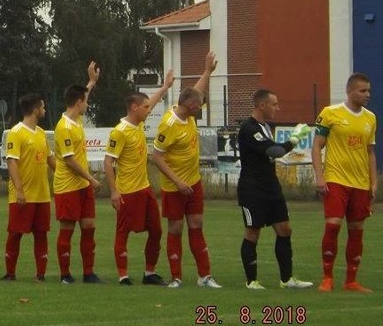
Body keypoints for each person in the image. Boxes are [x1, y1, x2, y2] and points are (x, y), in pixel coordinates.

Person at [151, 52, 221, 289]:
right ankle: (176, 277)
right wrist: (178, 182)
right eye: (199, 105)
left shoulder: (188, 111)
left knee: (196, 224)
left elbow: (196, 91)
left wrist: (207, 71)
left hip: (194, 182)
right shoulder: (169, 124)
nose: (202, 106)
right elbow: (156, 156)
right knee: (175, 227)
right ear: (191, 106)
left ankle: (205, 276)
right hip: (174, 187)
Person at [237, 89, 314, 290]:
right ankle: (251, 281)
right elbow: (275, 151)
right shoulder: (248, 128)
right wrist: (295, 140)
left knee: (285, 229)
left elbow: (271, 153)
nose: (277, 108)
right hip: (252, 189)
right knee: (253, 231)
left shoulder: (265, 127)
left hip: (271, 187)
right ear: (262, 105)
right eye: (274, 104)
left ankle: (287, 280)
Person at [103, 72, 173, 286]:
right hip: (127, 192)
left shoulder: (139, 124)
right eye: (144, 108)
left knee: (156, 230)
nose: (148, 110)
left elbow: (150, 102)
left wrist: (165, 86)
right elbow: (108, 161)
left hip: (144, 189)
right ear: (134, 108)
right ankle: (123, 275)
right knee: (123, 232)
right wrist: (114, 191)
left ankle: (149, 273)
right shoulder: (120, 132)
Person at [313, 73, 377, 293]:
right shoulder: (330, 113)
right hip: (336, 179)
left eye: (368, 90)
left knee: (357, 229)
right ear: (350, 91)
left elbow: (370, 152)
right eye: (363, 90)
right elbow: (316, 146)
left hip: (361, 183)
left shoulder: (370, 118)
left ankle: (351, 281)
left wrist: (373, 182)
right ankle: (327, 278)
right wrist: (319, 177)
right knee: (333, 224)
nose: (367, 94)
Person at [53, 62, 102, 284]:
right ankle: (65, 274)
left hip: (82, 187)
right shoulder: (64, 127)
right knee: (68, 228)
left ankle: (89, 273)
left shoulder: (77, 119)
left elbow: (84, 94)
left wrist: (91, 82)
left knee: (89, 226)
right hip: (68, 186)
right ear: (78, 103)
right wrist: (91, 178)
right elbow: (69, 159)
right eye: (85, 102)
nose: (87, 105)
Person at [2, 93, 56, 282]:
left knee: (41, 234)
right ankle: (10, 273)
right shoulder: (16, 133)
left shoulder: (41, 133)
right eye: (42, 107)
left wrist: (64, 172)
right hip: (22, 194)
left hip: (42, 195)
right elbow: (12, 162)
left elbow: (50, 159)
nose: (44, 110)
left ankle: (40, 275)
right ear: (35, 109)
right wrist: (19, 190)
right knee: (15, 233)